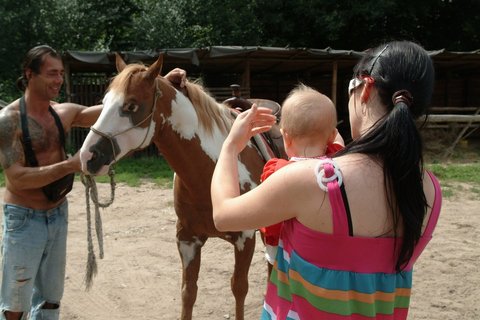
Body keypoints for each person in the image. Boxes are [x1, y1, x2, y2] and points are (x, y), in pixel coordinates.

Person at [211, 40, 441, 319]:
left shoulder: (311, 181)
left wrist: (230, 147)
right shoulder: (428, 189)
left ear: (365, 89)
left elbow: (223, 215)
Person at [0, 45, 186, 320]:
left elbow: (122, 104)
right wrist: (71, 165)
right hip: (24, 219)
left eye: (61, 73)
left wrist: (157, 83)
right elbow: (16, 177)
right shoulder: (8, 120)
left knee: (51, 300)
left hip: (57, 214)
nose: (59, 80)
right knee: (15, 306)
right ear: (30, 74)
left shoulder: (64, 113)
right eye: (52, 74)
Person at [259, 84, 344, 266]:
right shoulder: (339, 163)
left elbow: (269, 223)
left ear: (286, 138)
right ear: (331, 136)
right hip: (327, 251)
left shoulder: (278, 171)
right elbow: (338, 144)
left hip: (289, 254)